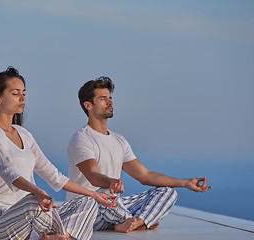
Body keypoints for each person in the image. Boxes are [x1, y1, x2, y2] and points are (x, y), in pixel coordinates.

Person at [0, 67, 118, 240]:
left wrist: (94, 194)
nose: (22, 98)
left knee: (88, 202)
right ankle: (58, 236)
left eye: (24, 92)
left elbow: (53, 175)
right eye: (16, 93)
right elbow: (11, 174)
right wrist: (39, 193)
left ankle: (58, 236)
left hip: (29, 221)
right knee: (33, 202)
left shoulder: (24, 134)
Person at [67, 76, 212, 233]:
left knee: (167, 191)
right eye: (103, 99)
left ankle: (136, 222)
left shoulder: (119, 140)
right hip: (88, 210)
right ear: (88, 105)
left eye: (110, 98)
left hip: (114, 208)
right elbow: (92, 175)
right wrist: (111, 182)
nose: (110, 102)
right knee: (103, 193)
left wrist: (185, 182)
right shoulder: (81, 139)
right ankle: (139, 221)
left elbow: (145, 175)